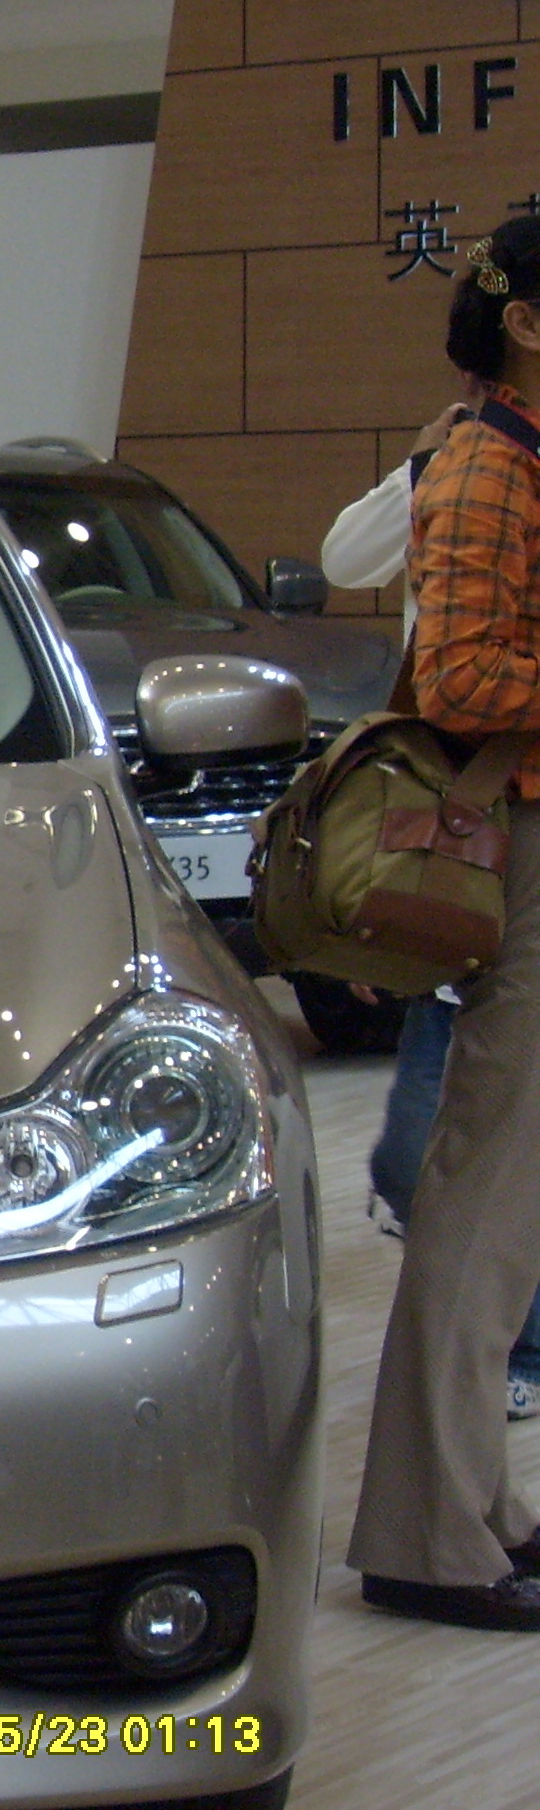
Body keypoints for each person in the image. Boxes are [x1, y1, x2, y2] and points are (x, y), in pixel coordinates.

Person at [347, 216, 540, 1630]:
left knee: (510, 1198)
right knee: (485, 1186)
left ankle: (473, 1503)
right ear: (523, 322)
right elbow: (462, 679)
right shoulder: (482, 465)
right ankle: (426, 1532)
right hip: (518, 844)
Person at [318, 398, 540, 1422]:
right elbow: (351, 563)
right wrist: (417, 466)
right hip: (453, 828)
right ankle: (475, 1382)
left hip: (500, 820)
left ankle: (507, 1361)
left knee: (492, 1153)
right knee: (425, 1158)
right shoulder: (475, 463)